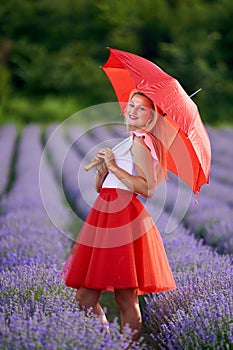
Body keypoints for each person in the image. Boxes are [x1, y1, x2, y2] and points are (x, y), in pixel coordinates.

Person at [61, 90, 176, 341]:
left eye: (141, 108)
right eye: (131, 105)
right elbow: (103, 189)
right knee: (85, 297)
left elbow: (147, 188)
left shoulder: (141, 143)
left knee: (125, 297)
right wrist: (103, 171)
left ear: (151, 119)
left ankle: (128, 348)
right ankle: (107, 343)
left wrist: (113, 166)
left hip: (123, 219)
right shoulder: (128, 141)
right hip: (105, 214)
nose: (133, 110)